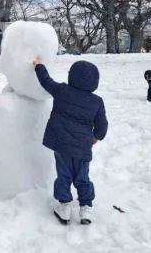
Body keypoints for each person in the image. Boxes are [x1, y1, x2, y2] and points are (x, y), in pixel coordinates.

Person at [32, 57, 108, 225]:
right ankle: (86, 207)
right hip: (82, 147)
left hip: (62, 144)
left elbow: (46, 81)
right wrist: (96, 137)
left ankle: (64, 206)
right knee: (83, 177)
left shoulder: (61, 91)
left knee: (64, 175)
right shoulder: (96, 102)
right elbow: (102, 125)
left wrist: (38, 65)